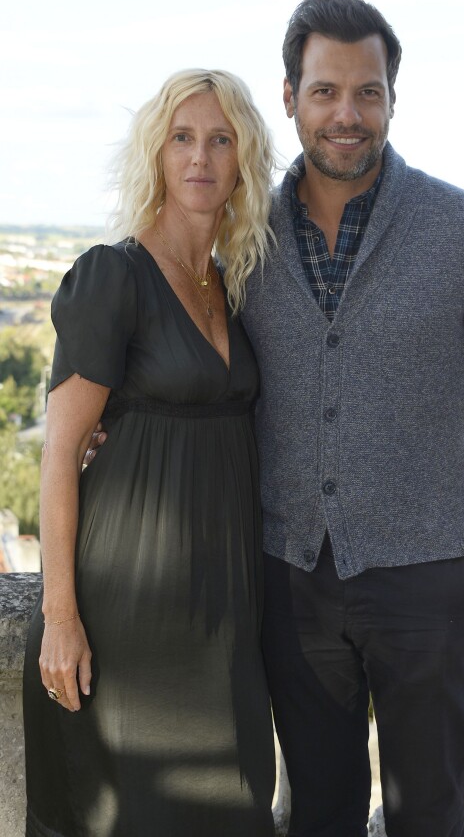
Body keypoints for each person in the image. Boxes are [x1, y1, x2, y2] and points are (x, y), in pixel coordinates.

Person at [238, 0, 464, 837]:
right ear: (289, 96)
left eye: (368, 91)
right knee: (320, 814)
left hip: (427, 584)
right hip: (290, 578)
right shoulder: (247, 237)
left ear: (391, 97)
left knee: (428, 818)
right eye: (325, 91)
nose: (347, 114)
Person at [22, 69, 277, 837]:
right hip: (121, 619)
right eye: (182, 138)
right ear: (158, 156)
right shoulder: (115, 277)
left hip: (221, 622)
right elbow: (61, 452)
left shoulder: (233, 287)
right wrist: (60, 616)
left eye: (220, 140)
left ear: (242, 162)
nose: (200, 157)